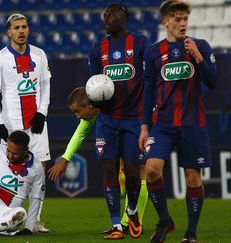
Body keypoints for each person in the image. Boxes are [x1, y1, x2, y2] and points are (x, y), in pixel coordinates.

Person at [139, 1, 217, 242]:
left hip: (192, 123)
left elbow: (213, 81)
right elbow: (149, 89)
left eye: (185, 19)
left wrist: (197, 56)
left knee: (193, 177)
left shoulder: (200, 45)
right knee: (151, 170)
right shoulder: (153, 51)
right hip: (162, 123)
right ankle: (165, 220)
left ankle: (191, 233)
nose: (182, 23)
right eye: (177, 19)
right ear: (165, 22)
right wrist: (144, 126)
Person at [88, 3, 151, 239]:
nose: (106, 18)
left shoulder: (141, 44)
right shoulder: (97, 49)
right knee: (109, 168)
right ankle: (116, 225)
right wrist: (95, 102)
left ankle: (132, 211)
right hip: (108, 120)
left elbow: (151, 77)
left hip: (134, 120)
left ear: (124, 18)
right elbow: (93, 83)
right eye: (105, 15)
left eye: (111, 14)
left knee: (133, 174)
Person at [0, 13, 51, 233]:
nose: (21, 31)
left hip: (36, 124)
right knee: (9, 172)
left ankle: (35, 220)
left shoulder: (40, 55)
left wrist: (42, 113)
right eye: (16, 28)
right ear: (9, 32)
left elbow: (45, 86)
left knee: (40, 168)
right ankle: (5, 216)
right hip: (11, 125)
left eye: (24, 27)